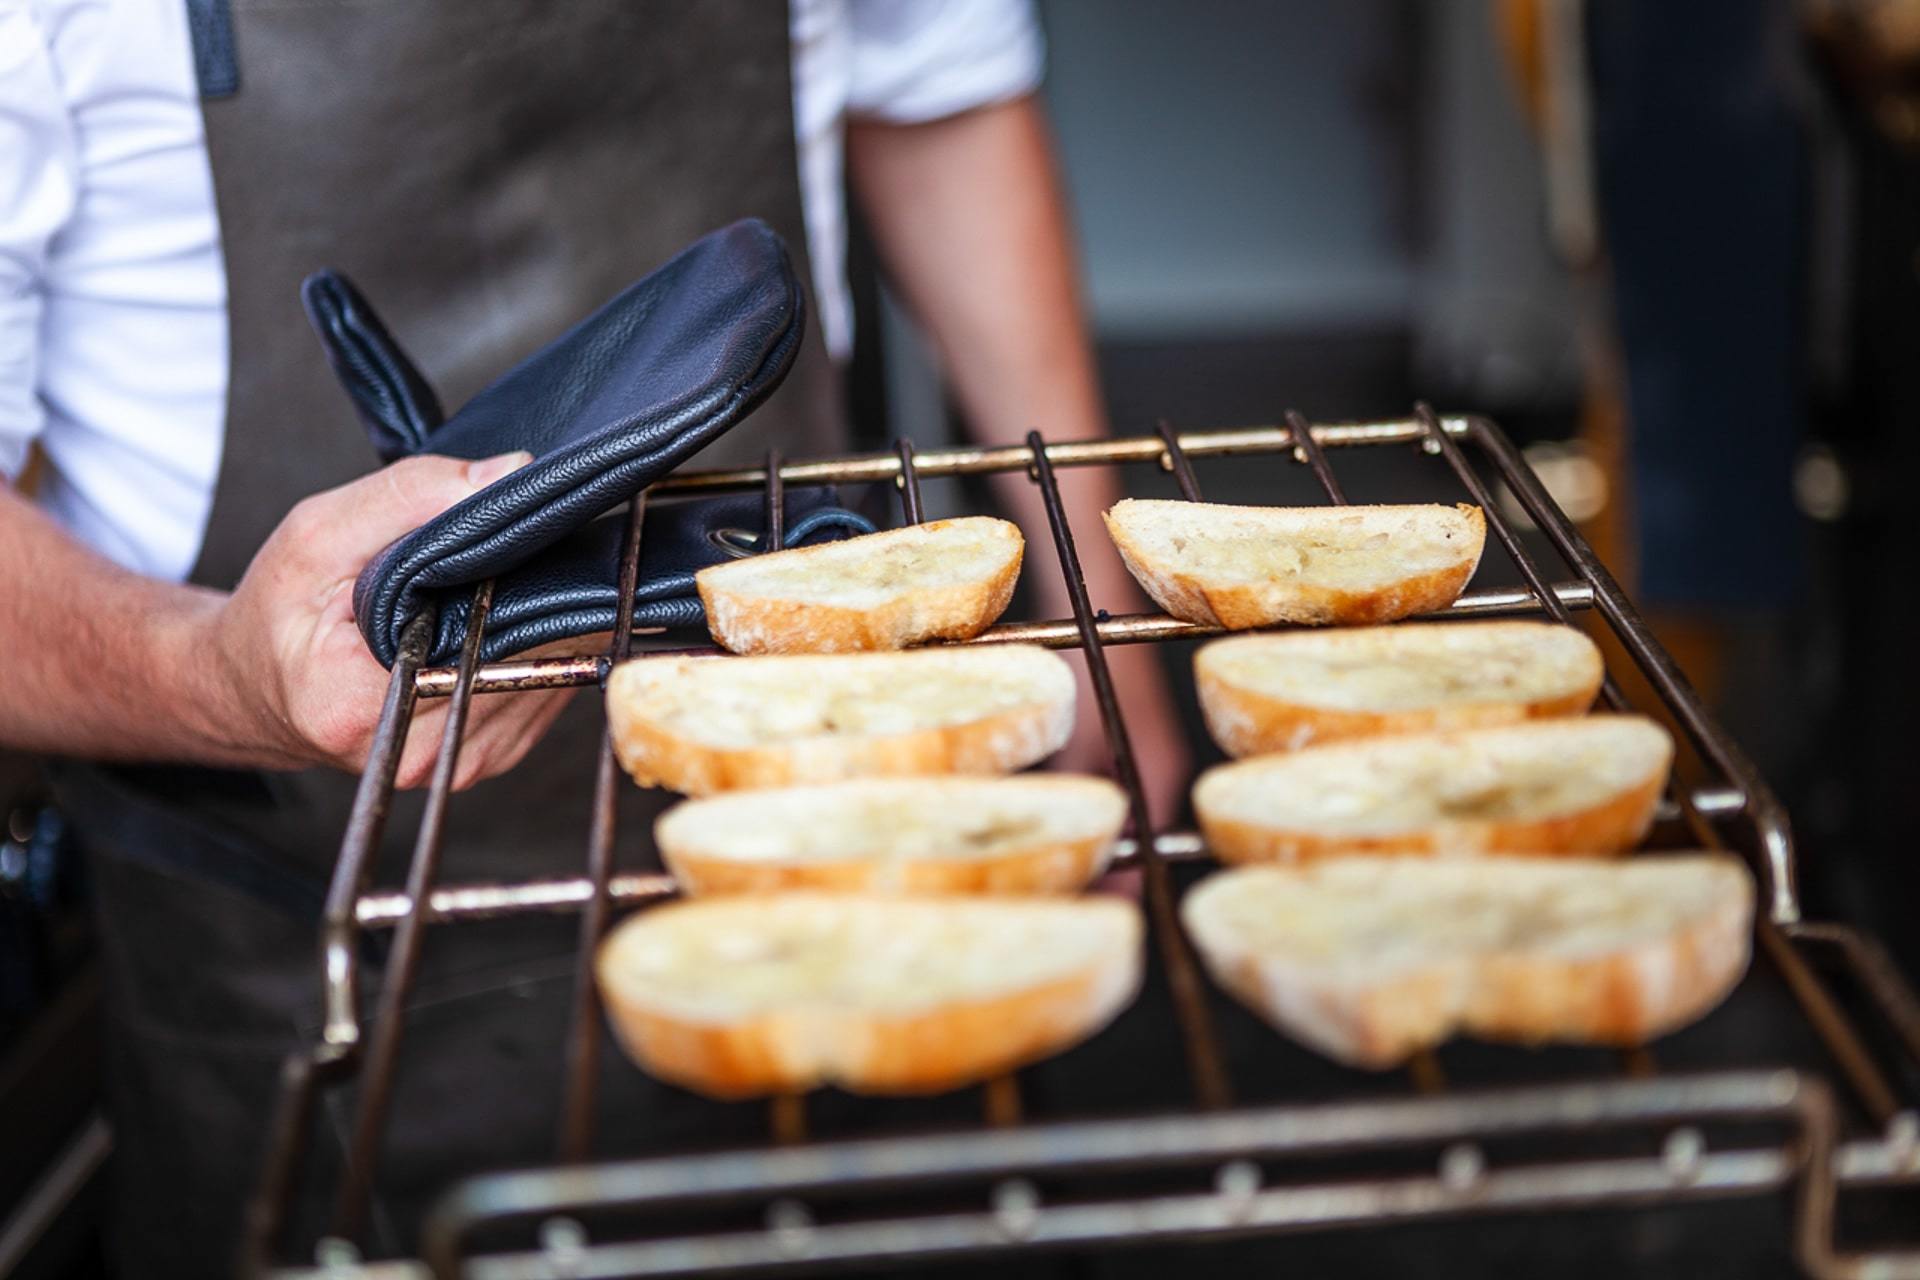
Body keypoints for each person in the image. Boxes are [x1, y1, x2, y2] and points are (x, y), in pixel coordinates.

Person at [0, 0, 1185, 1273]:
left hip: (846, 810)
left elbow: (939, 98)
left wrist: (1106, 633)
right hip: (311, 940)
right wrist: (217, 674)